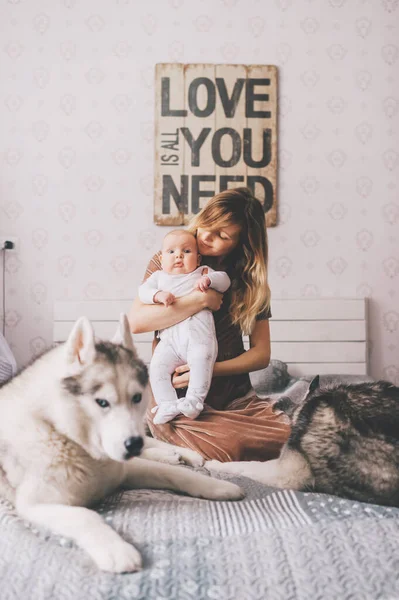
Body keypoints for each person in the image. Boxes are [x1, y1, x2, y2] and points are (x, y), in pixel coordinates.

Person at [129, 187, 290, 462]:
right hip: (174, 393)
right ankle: (176, 431)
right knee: (227, 447)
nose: (206, 236)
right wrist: (200, 300)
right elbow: (136, 322)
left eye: (222, 236)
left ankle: (211, 433)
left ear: (242, 244)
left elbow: (261, 354)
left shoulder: (248, 280)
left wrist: (207, 370)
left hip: (233, 398)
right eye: (207, 224)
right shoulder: (171, 256)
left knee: (292, 438)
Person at [138, 229, 230, 424]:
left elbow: (225, 280)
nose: (178, 255)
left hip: (198, 337)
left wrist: (209, 280)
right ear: (161, 259)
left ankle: (194, 401)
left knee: (201, 362)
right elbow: (143, 292)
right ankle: (167, 403)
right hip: (169, 341)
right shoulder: (158, 277)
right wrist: (157, 295)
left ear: (198, 259)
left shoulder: (202, 272)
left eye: (186, 251)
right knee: (156, 367)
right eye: (171, 252)